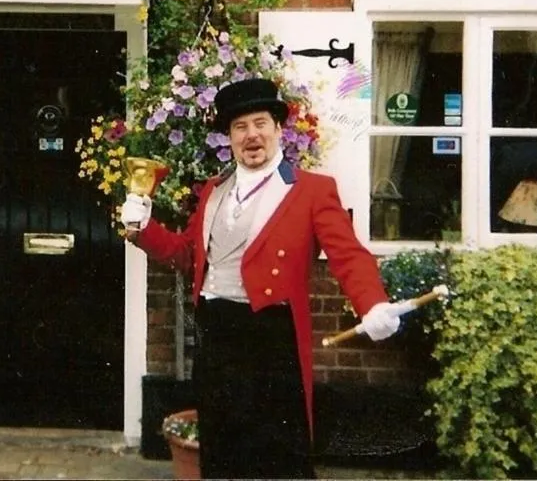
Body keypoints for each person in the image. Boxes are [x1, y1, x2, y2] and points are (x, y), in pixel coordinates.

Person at [120, 77, 400, 479]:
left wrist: (372, 302)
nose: (251, 135)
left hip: (271, 334)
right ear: (229, 138)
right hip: (217, 334)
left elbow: (348, 254)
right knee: (221, 449)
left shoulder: (311, 191)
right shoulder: (213, 192)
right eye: (240, 127)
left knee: (278, 455)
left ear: (277, 129)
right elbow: (188, 256)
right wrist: (144, 227)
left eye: (260, 123)